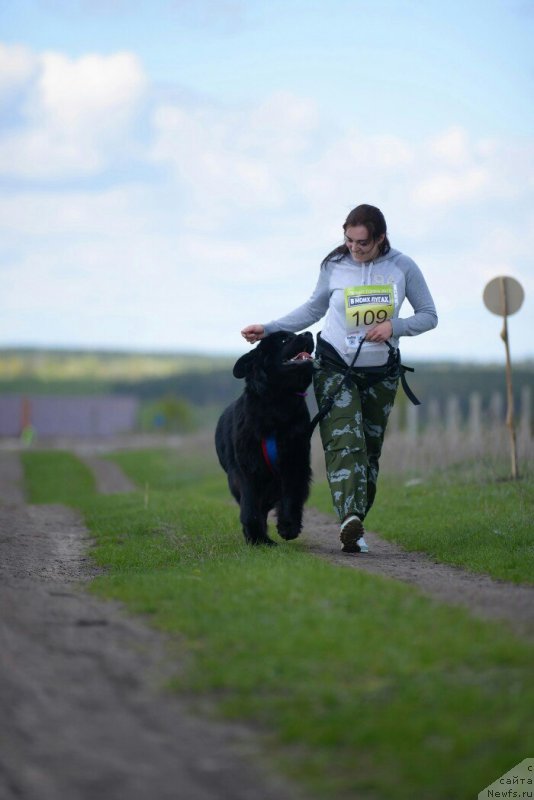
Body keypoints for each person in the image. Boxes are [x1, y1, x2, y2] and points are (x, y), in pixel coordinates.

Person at [241, 204, 437, 554]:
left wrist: (396, 326)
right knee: (344, 440)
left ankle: (356, 521)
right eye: (349, 240)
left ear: (380, 238)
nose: (355, 249)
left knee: (368, 452)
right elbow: (313, 309)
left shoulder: (402, 267)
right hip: (334, 366)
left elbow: (429, 315)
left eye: (362, 243)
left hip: (381, 373)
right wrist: (269, 329)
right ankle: (348, 517)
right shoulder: (334, 265)